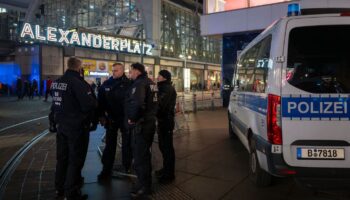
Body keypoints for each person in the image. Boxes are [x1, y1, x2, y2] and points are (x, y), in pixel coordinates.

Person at [50, 57, 97, 200]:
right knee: (75, 160)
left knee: (62, 158)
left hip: (61, 125)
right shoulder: (79, 83)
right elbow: (88, 105)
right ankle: (71, 192)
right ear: (79, 67)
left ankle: (59, 188)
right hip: (76, 127)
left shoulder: (57, 82)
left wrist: (52, 121)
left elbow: (55, 104)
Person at [126, 63, 157, 198]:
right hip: (149, 123)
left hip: (141, 125)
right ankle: (145, 184)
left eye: (131, 71)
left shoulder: (139, 84)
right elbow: (156, 103)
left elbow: (137, 104)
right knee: (145, 155)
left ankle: (143, 186)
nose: (129, 74)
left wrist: (132, 118)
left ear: (137, 71)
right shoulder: (151, 82)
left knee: (140, 157)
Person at [97, 63, 132, 183]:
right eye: (113, 70)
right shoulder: (107, 83)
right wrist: (101, 115)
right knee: (110, 144)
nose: (114, 73)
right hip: (111, 118)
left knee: (127, 143)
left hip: (125, 118)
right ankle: (106, 168)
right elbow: (100, 101)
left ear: (122, 71)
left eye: (116, 70)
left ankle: (127, 166)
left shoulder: (130, 83)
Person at [155, 70, 177, 184]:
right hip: (163, 121)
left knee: (167, 148)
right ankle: (166, 169)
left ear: (164, 77)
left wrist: (154, 111)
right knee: (163, 147)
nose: (157, 77)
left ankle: (169, 174)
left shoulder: (166, 89)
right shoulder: (163, 87)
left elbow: (161, 105)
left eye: (159, 75)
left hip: (166, 121)